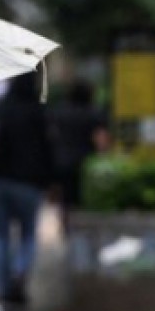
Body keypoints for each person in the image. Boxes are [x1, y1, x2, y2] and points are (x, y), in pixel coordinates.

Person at [0, 72, 54, 305]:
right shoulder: (38, 113)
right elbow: (48, 149)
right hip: (30, 183)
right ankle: (20, 271)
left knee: (0, 237)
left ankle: (4, 287)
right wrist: (51, 181)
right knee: (28, 234)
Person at [48, 79, 108, 232]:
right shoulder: (93, 112)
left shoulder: (60, 111)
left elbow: (52, 136)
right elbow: (100, 139)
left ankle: (67, 227)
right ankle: (80, 231)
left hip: (62, 162)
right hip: (85, 163)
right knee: (82, 200)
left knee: (66, 201)